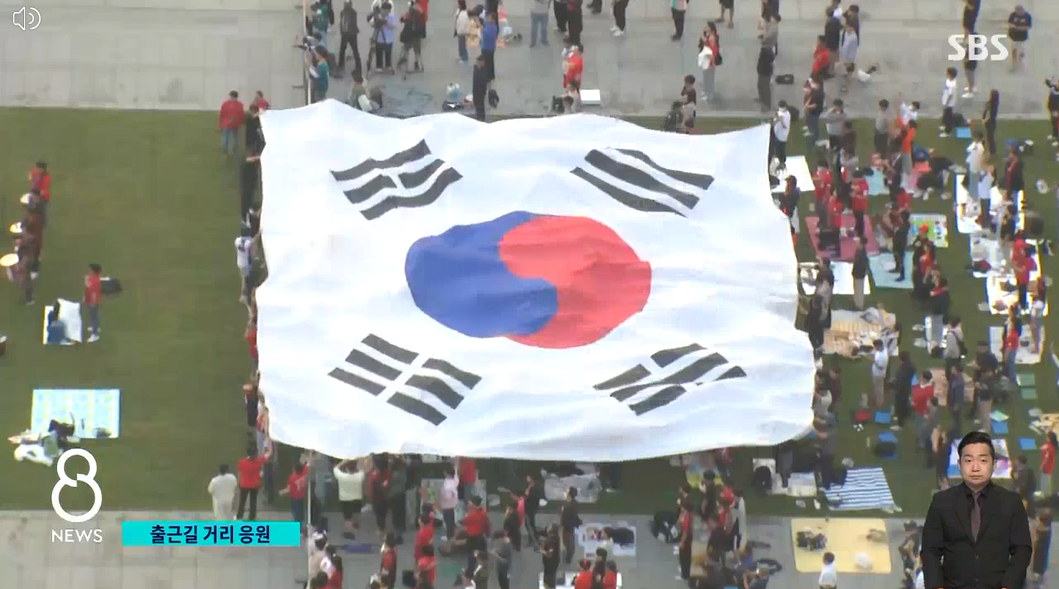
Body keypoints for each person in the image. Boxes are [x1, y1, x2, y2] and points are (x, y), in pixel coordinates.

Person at [921, 431, 1032, 589]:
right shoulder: (941, 502)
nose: (975, 468)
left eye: (982, 460)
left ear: (993, 465)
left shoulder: (1011, 502)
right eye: (968, 460)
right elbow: (930, 550)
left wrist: (1009, 586)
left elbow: (1022, 550)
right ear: (959, 465)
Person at [236, 442, 272, 520]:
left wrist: (238, 483)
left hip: (244, 484)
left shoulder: (241, 462)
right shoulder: (258, 461)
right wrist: (268, 444)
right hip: (254, 485)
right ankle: (252, 516)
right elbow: (269, 453)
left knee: (242, 501)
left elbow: (239, 473)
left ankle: (239, 515)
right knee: (253, 501)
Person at [472, 55, 489, 122]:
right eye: (477, 62)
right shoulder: (475, 68)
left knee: (481, 105)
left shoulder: (484, 71)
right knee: (476, 104)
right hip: (475, 90)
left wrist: (484, 92)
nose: (477, 64)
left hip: (481, 91)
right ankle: (478, 117)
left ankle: (481, 118)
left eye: (479, 62)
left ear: (482, 63)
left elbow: (484, 82)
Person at [1041, 431, 1057, 498]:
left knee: (1045, 480)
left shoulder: (1049, 447)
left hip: (1046, 467)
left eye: (1047, 436)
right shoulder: (1050, 446)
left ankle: (1046, 494)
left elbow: (1046, 457)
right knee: (1046, 479)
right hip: (1049, 466)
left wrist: (1042, 465)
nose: (1046, 437)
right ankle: (1045, 494)